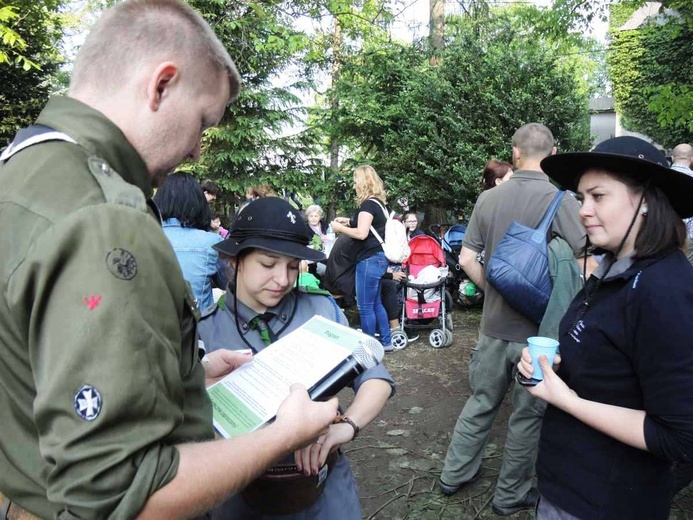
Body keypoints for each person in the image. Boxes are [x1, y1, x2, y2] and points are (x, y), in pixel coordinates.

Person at [0, 1, 337, 518]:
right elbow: (125, 498)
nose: (199, 150)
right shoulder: (105, 218)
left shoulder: (23, 170)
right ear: (161, 86)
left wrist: (186, 378)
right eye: (203, 120)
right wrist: (283, 437)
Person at [518, 136, 693, 519]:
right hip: (565, 485)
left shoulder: (665, 288)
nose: (583, 210)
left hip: (606, 502)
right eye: (582, 198)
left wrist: (567, 400)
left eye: (598, 196)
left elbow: (678, 435)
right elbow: (612, 361)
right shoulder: (613, 269)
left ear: (645, 200)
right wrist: (551, 366)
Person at [198, 197, 395, 519]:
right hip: (241, 493)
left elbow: (375, 378)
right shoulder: (206, 331)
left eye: (293, 266)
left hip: (322, 489)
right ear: (234, 261)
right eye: (267, 264)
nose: (283, 280)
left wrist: (347, 426)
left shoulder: (320, 310)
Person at [439, 123, 586, 515]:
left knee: (481, 401)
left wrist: (496, 289)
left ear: (515, 153)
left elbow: (467, 258)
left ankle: (454, 474)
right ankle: (510, 495)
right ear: (552, 154)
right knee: (526, 416)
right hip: (538, 338)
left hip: (492, 329)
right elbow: (584, 260)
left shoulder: (488, 200)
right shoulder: (562, 201)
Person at [330, 165, 393, 352]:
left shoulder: (367, 205)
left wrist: (340, 229)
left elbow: (361, 233)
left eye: (355, 180)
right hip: (380, 258)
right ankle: (386, 342)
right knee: (376, 303)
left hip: (368, 260)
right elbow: (371, 227)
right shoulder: (379, 204)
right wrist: (348, 221)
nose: (353, 184)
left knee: (365, 307)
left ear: (363, 182)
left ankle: (368, 348)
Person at [155, 171, 228, 311]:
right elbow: (229, 284)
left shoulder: (143, 237)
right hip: (198, 328)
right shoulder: (211, 243)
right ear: (198, 203)